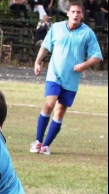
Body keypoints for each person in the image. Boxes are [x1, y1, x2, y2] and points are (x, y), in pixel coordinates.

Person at [29, 1, 103, 155]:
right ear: (68, 13)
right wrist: (37, 62)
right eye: (73, 12)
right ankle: (37, 141)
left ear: (82, 15)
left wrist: (83, 65)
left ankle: (46, 146)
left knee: (60, 110)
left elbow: (97, 56)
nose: (76, 15)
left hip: (71, 79)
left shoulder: (87, 33)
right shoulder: (56, 28)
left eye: (79, 12)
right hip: (54, 74)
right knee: (49, 103)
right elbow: (45, 46)